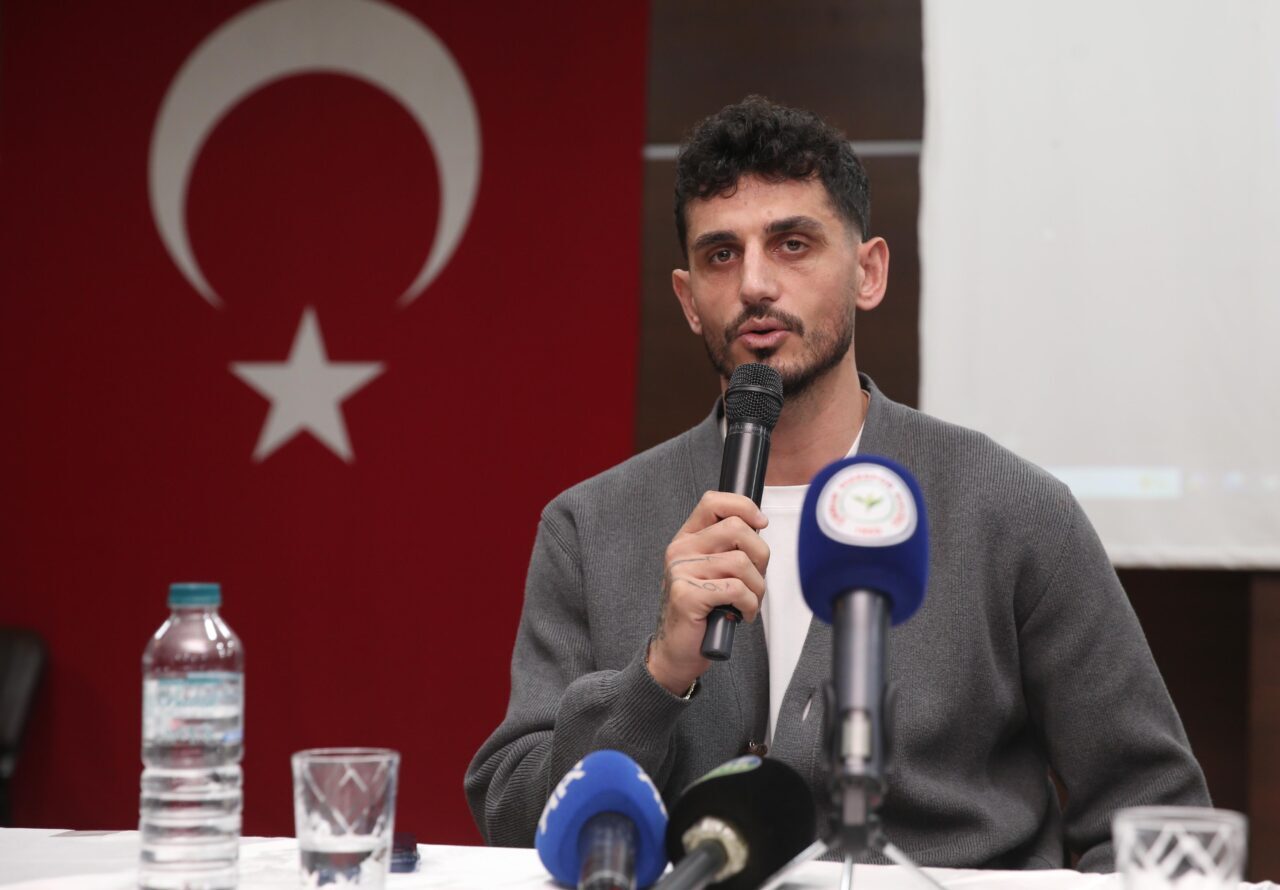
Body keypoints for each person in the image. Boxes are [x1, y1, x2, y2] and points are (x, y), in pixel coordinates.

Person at [464, 96, 1209, 870]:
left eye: (792, 245)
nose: (756, 284)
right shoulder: (590, 527)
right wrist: (658, 677)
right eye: (721, 255)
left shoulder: (1011, 508)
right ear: (688, 301)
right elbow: (513, 822)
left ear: (868, 272)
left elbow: (1157, 819)